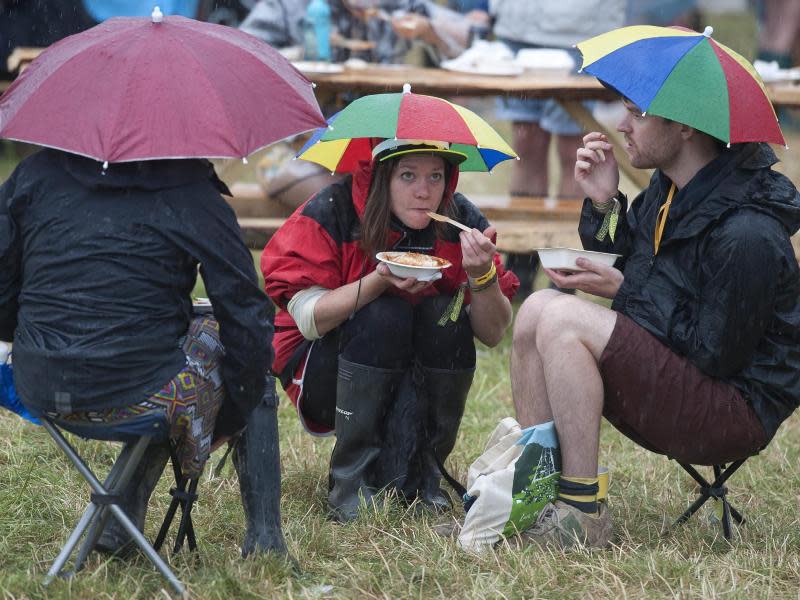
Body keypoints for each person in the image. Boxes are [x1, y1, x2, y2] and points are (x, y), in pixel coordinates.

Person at [509, 96, 800, 548]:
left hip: (731, 409)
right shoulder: (670, 190)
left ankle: (581, 515)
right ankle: (535, 497)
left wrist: (623, 290)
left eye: (638, 114)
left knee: (563, 319)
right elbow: (635, 267)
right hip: (682, 375)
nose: (623, 125)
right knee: (534, 311)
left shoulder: (748, 234)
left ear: (685, 126)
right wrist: (605, 204)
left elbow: (714, 353)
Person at [0, 149, 287, 558]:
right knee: (230, 349)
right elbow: (246, 313)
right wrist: (231, 415)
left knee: (161, 357)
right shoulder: (189, 189)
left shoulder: (35, 172)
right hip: (145, 395)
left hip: (41, 387)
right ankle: (266, 543)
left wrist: (47, 343)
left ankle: (119, 524)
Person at [262, 138, 518, 522]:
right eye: (408, 175)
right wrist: (379, 281)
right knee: (385, 313)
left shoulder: (459, 221)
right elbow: (309, 318)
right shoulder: (335, 210)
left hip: (406, 361)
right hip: (320, 371)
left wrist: (482, 275)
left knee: (443, 314)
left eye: (436, 176)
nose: (424, 191)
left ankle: (423, 477)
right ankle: (352, 483)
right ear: (383, 177)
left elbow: (494, 332)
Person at [490, 0, 626, 295]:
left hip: (578, 31)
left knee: (572, 152)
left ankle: (564, 270)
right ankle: (521, 265)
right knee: (526, 143)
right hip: (519, 25)